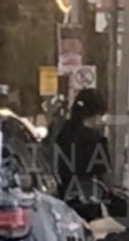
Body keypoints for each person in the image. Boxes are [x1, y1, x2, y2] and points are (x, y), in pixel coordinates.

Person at [48, 88, 113, 222]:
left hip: (63, 200)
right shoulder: (97, 140)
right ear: (96, 114)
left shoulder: (62, 134)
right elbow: (104, 176)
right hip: (90, 203)